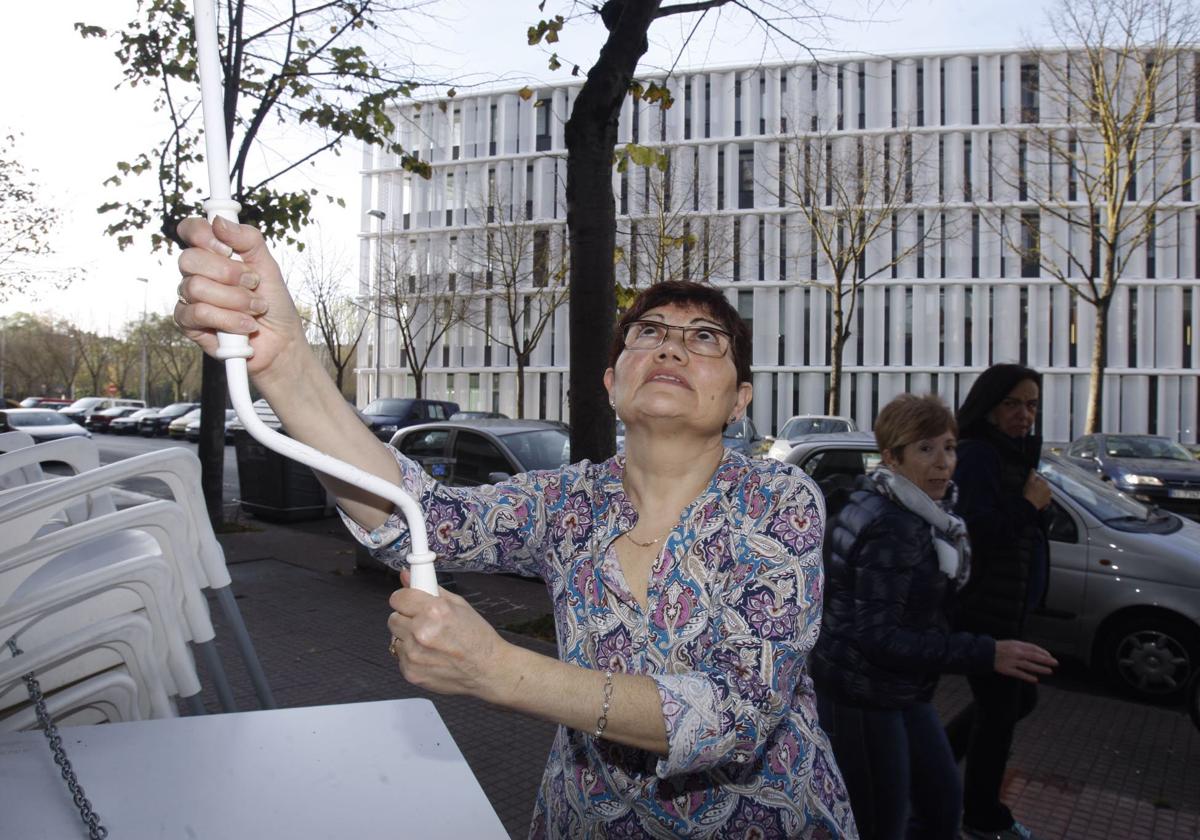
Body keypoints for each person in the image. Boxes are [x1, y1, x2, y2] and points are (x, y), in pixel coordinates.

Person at [173, 216, 857, 838]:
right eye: (649, 331)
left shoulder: (779, 498)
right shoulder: (567, 502)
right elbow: (423, 521)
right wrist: (285, 362)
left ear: (739, 401)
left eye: (705, 338)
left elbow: (735, 714)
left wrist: (499, 670)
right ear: (612, 383)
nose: (672, 346)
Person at [811, 394, 1056, 840]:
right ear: (892, 457)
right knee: (880, 824)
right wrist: (987, 653)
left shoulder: (923, 512)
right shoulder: (894, 524)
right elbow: (878, 638)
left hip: (903, 688)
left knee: (941, 805)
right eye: (925, 449)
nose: (943, 462)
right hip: (864, 694)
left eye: (949, 446)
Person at [944, 364, 1055, 840]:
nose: (1024, 415)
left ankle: (933, 758)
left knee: (1014, 700)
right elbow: (978, 531)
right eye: (1013, 404)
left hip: (1007, 606)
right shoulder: (980, 456)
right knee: (1001, 712)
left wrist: (1033, 510)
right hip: (985, 607)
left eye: (1031, 405)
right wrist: (1029, 505)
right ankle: (982, 816)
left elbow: (1020, 532)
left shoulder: (1015, 456)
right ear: (989, 407)